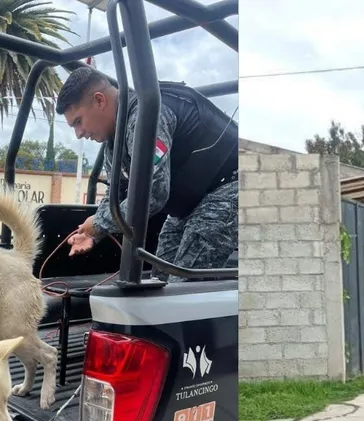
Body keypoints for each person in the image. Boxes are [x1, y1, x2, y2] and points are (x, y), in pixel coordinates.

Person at [55, 66, 238, 282]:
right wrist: (93, 233)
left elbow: (154, 192)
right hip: (190, 204)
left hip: (231, 187)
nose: (78, 134)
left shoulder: (148, 114)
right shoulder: (113, 144)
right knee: (159, 281)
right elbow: (117, 197)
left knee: (182, 288)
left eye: (78, 121)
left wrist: (99, 223)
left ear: (99, 100)